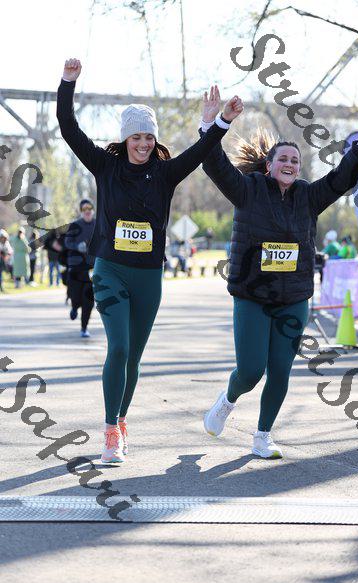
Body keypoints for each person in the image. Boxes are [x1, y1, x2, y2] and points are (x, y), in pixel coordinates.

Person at [57, 59, 232, 464]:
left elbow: (202, 150)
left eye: (149, 137)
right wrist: (68, 82)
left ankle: (121, 422)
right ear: (125, 139)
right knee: (118, 348)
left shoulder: (166, 173)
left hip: (149, 277)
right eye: (136, 137)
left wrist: (218, 121)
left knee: (133, 357)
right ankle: (109, 433)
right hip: (110, 271)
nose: (143, 144)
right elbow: (68, 127)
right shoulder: (105, 165)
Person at [200, 88, 358, 459]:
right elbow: (215, 165)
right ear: (268, 166)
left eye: (295, 161)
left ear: (299, 168)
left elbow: (343, 177)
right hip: (252, 295)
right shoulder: (248, 190)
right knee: (251, 371)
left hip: (293, 298)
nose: (289, 164)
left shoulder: (308, 197)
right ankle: (228, 400)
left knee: (280, 371)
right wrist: (213, 124)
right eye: (282, 158)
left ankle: (262, 436)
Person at [64, 199, 96, 338]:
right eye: (84, 209)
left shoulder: (98, 225)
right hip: (76, 266)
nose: (87, 211)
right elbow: (67, 242)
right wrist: (77, 246)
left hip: (91, 267)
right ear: (81, 211)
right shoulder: (75, 225)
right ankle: (75, 306)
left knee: (88, 299)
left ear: (93, 210)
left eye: (89, 209)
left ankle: (84, 328)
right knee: (75, 295)